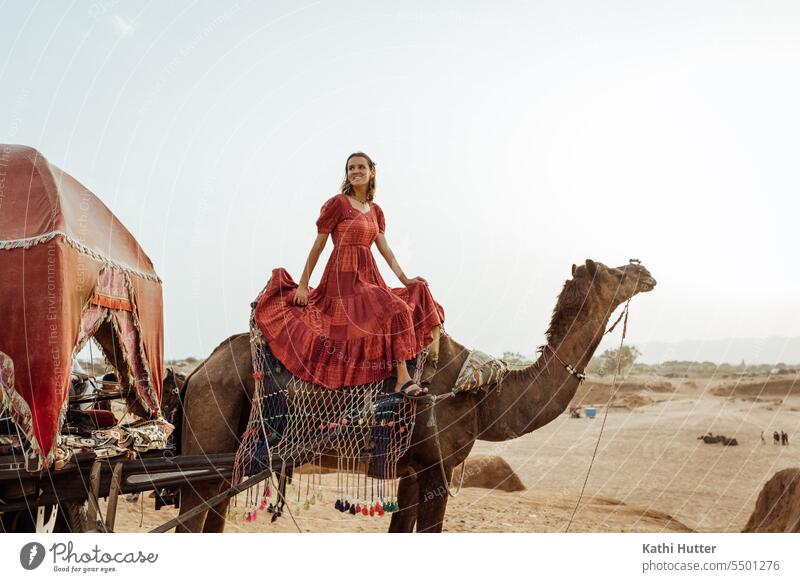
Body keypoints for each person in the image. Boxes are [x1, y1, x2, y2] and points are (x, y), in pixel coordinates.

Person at [254, 152, 444, 395]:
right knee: (397, 308)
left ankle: (429, 365)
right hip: (343, 279)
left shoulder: (376, 211)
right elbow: (319, 245)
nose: (355, 171)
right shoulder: (338, 204)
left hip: (369, 274)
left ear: (371, 172)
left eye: (361, 167)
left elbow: (385, 249)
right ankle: (403, 379)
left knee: (419, 290)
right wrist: (303, 284)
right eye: (351, 168)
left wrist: (405, 279)